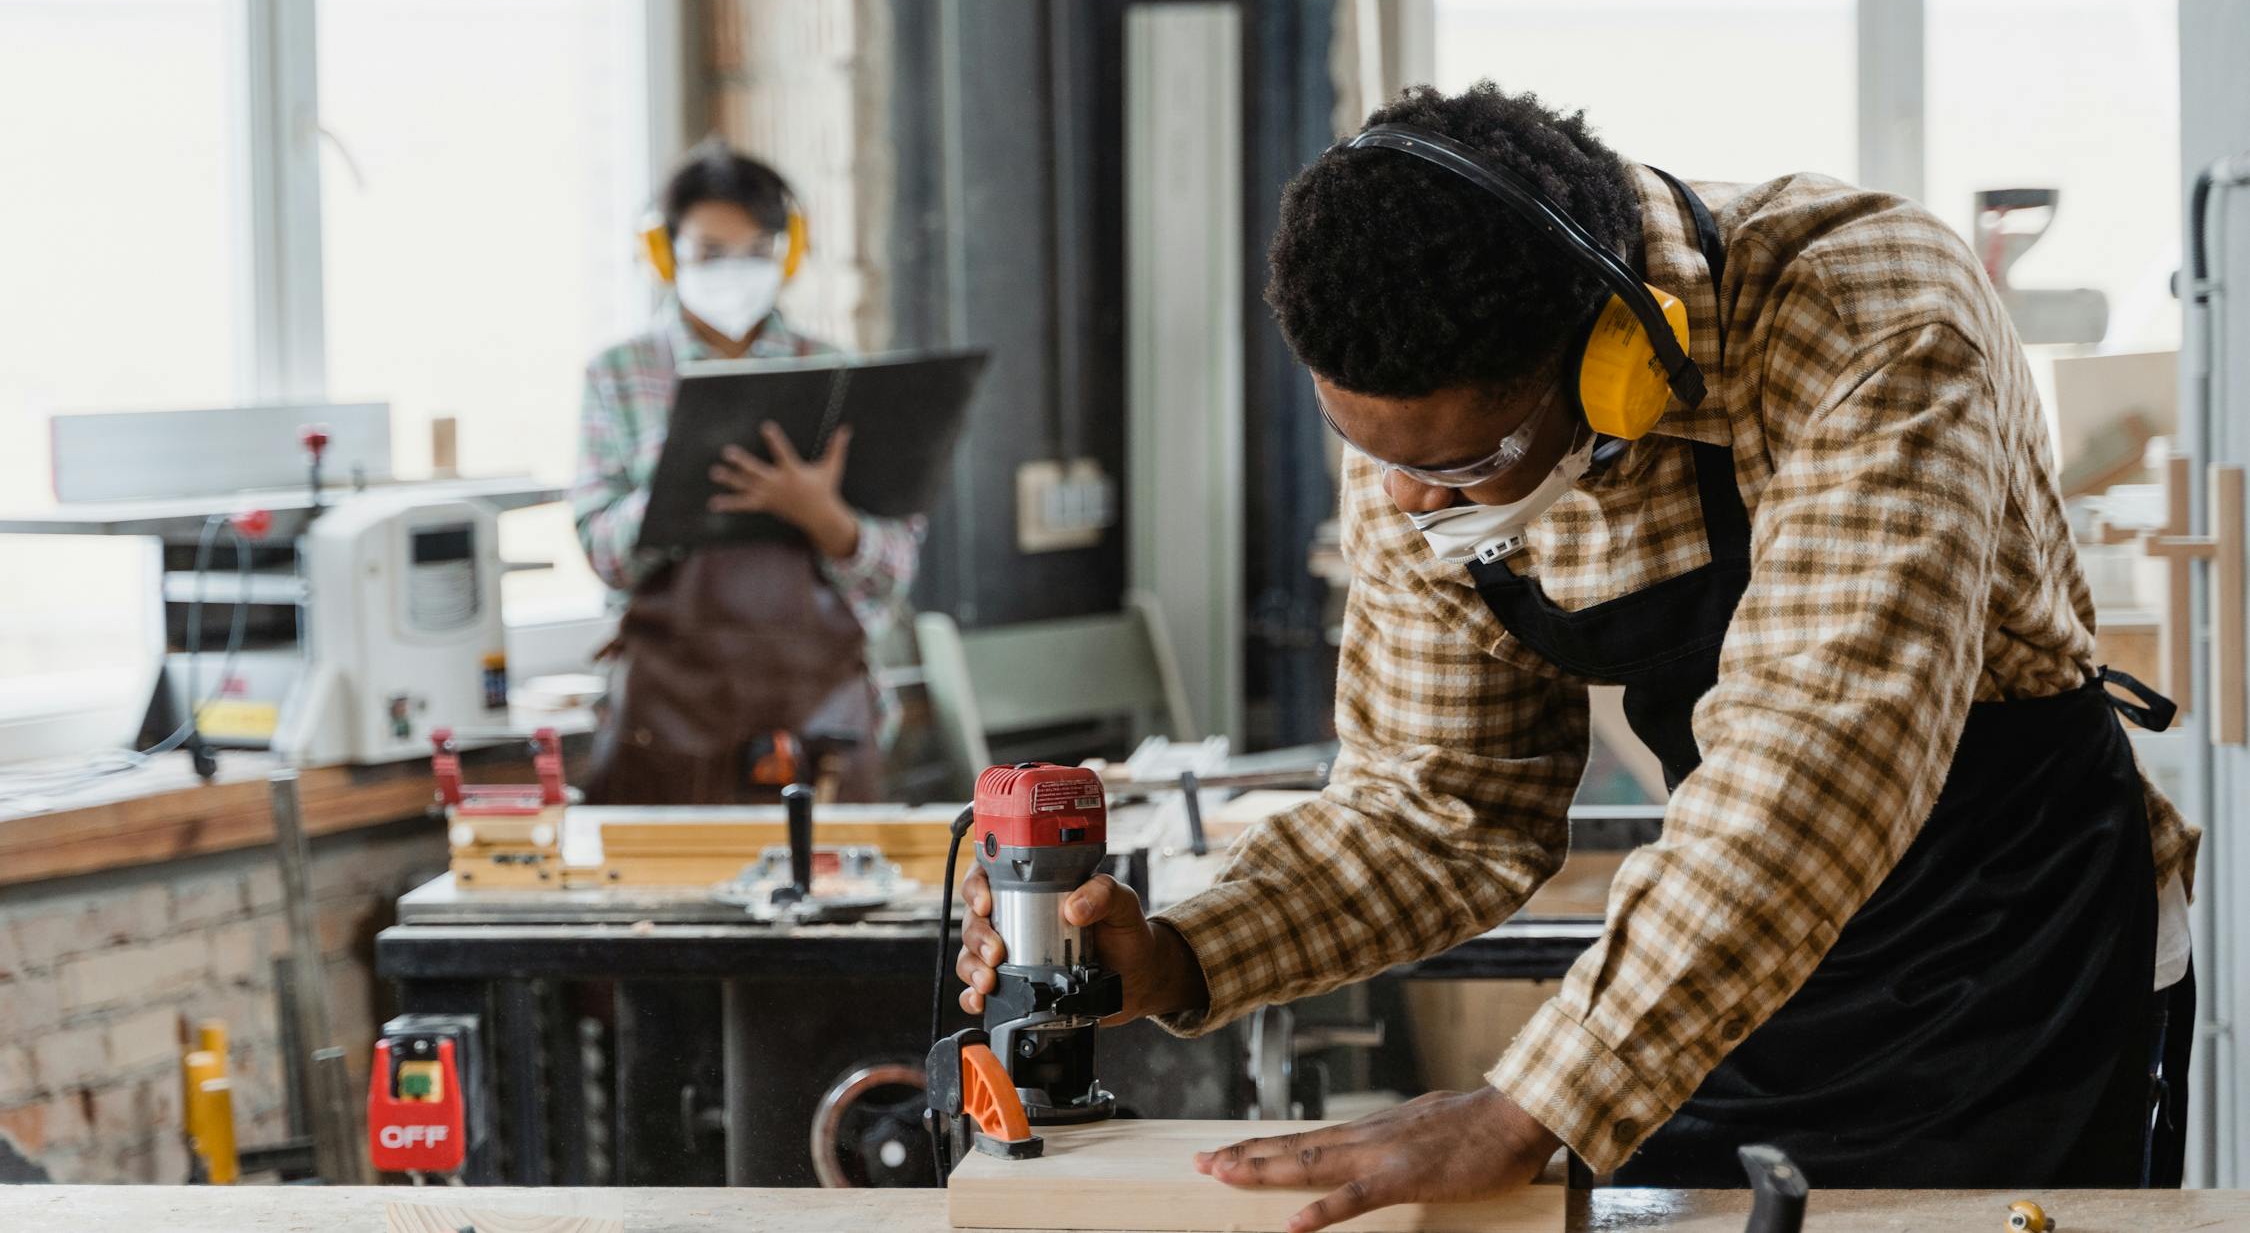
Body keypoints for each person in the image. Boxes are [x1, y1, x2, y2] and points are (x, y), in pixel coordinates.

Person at [956, 83, 2199, 1222]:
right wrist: (1181, 952)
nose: (1399, 505)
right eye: (1366, 449)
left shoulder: (1867, 308)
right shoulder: (1425, 399)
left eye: (1455, 467)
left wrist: (1526, 1103)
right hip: (1713, 966)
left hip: (2003, 956)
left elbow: (1814, 767)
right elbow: (1441, 808)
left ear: (1618, 368)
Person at [572, 141, 921, 804]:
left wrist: (825, 519)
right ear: (665, 253)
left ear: (787, 255)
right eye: (709, 252)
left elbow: (893, 573)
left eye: (757, 250)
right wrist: (684, 485)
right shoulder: (619, 375)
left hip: (821, 724)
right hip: (666, 722)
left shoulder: (839, 375)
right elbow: (604, 556)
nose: (734, 271)